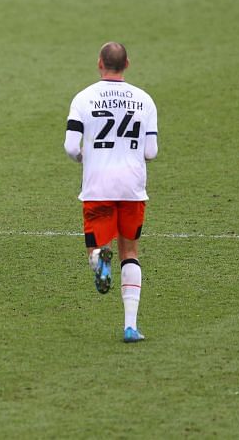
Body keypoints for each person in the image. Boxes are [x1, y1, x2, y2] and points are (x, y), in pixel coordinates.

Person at [64, 42, 158, 343]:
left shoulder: (83, 98)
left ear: (99, 63)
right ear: (127, 64)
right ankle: (130, 326)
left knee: (95, 247)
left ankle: (97, 261)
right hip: (132, 186)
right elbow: (152, 152)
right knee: (130, 253)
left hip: (98, 185)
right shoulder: (145, 100)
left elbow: (70, 147)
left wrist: (84, 157)